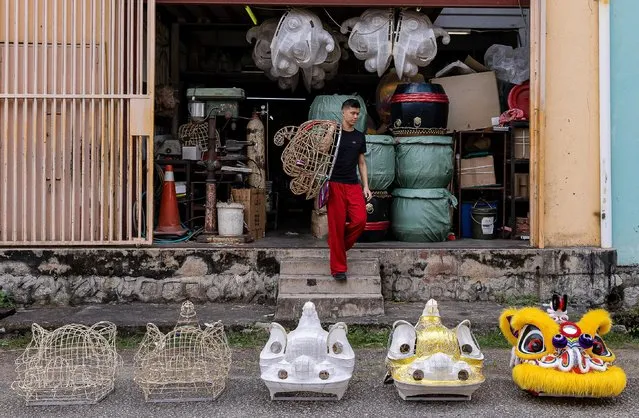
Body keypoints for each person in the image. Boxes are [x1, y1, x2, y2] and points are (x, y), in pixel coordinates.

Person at [326, 99, 372, 281]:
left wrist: (366, 186)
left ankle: (337, 246)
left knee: (360, 220)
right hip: (334, 184)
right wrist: (330, 131)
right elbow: (322, 149)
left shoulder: (360, 136)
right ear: (343, 113)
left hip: (353, 185)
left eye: (357, 114)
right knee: (336, 227)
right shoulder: (335, 133)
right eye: (352, 113)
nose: (355, 117)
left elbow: (362, 163)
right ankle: (338, 269)